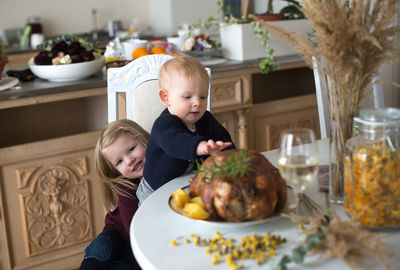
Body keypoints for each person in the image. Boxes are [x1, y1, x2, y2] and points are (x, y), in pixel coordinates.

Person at [143, 55, 235, 192]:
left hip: (187, 182)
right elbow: (176, 141)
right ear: (166, 98)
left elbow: (222, 138)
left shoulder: (205, 119)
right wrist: (199, 146)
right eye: (187, 97)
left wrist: (230, 157)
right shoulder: (163, 125)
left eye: (203, 97)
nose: (197, 102)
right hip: (155, 190)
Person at [79, 119, 149, 270]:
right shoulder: (125, 187)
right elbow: (134, 230)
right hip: (120, 232)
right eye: (119, 162)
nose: (129, 161)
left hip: (140, 243)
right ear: (115, 170)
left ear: (142, 138)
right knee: (99, 251)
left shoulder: (164, 166)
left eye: (131, 149)